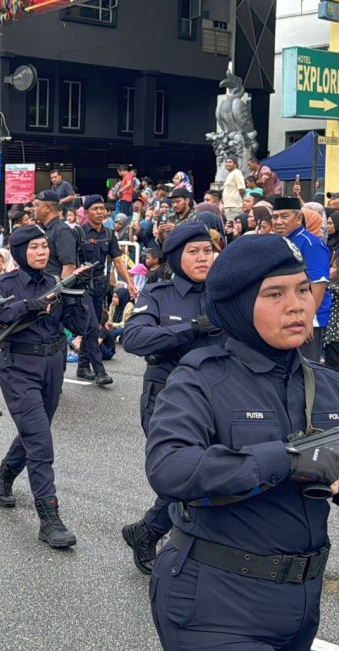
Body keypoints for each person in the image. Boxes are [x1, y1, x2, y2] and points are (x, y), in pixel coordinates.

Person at [146, 233, 339, 651]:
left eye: (303, 289)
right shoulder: (201, 379)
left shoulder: (331, 385)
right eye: (275, 294)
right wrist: (286, 459)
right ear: (238, 304)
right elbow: (169, 468)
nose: (297, 304)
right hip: (213, 605)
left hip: (299, 608)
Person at [119, 223, 223, 575]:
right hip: (168, 397)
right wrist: (189, 329)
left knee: (213, 473)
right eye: (194, 252)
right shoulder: (159, 294)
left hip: (218, 396)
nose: (202, 258)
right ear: (177, 257)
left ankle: (148, 531)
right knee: (184, 472)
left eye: (207, 251)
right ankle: (153, 534)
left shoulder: (225, 292)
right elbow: (134, 338)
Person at [0, 224, 79, 549]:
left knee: (33, 434)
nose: (42, 253)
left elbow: (73, 324)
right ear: (21, 251)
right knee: (40, 442)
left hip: (52, 364)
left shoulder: (54, 282)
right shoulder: (7, 283)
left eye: (45, 247)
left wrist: (83, 294)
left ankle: (4, 475)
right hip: (19, 368)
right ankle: (49, 519)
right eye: (34, 247)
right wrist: (28, 305)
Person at [75, 195, 137, 385]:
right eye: (95, 209)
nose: (100, 212)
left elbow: (117, 260)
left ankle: (83, 367)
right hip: (82, 288)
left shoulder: (109, 234)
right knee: (93, 327)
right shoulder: (79, 233)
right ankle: (99, 371)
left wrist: (129, 282)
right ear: (86, 212)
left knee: (90, 327)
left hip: (100, 287)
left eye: (102, 209)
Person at [272, 197, 331, 362]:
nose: (278, 221)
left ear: (298, 218)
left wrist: (308, 320)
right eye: (275, 217)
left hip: (309, 317)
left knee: (306, 367)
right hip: (287, 314)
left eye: (284, 216)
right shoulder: (279, 242)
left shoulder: (311, 244)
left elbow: (318, 284)